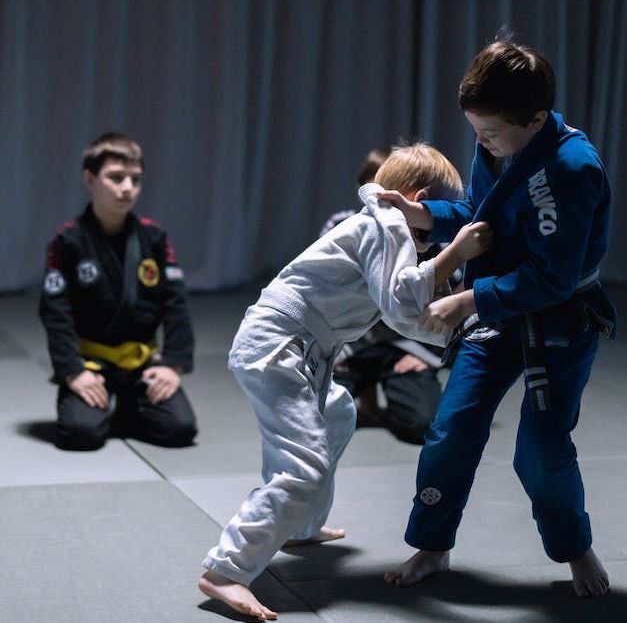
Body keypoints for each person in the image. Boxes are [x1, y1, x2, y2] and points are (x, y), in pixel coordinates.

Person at [198, 143, 492, 620]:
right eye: (440, 218)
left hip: (306, 350)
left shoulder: (386, 228)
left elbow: (407, 317)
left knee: (338, 413)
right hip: (277, 346)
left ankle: (302, 523)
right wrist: (455, 253)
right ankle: (226, 571)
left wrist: (460, 326)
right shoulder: (386, 223)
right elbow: (400, 303)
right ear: (417, 201)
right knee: (303, 465)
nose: (443, 231)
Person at [381, 40, 616, 598]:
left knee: (541, 446)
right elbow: (481, 217)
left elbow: (554, 277)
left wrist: (467, 300)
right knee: (450, 428)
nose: (480, 141)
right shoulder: (497, 143)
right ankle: (433, 546)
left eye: (488, 132)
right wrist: (425, 214)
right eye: (476, 130)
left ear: (536, 119)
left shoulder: (573, 167)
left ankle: (573, 547)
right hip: (497, 311)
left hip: (558, 315)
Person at [39, 132, 197, 451]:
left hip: (140, 363)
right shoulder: (67, 241)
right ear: (90, 179)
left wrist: (172, 365)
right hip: (90, 364)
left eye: (135, 179)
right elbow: (56, 315)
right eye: (116, 178)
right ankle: (98, 403)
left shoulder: (154, 237)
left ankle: (129, 404)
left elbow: (176, 305)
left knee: (180, 429)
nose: (127, 188)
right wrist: (72, 372)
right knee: (81, 435)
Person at [322, 147, 461, 445]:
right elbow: (329, 299)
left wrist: (429, 358)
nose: (386, 207)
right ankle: (363, 392)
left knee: (423, 424)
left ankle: (390, 391)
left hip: (406, 346)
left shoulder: (432, 235)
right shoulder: (343, 227)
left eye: (395, 198)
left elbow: (455, 305)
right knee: (313, 418)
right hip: (354, 345)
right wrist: (330, 351)